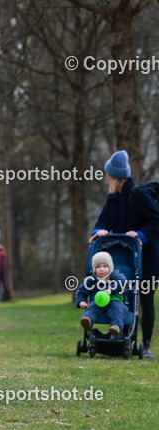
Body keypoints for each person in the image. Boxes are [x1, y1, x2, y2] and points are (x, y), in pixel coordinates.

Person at [90, 149, 159, 358]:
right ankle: (124, 339)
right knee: (126, 297)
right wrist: (98, 231)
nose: (106, 177)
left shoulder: (138, 194)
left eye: (107, 174)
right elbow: (102, 221)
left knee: (145, 300)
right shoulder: (113, 198)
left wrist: (140, 234)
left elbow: (156, 219)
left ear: (113, 175)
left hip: (147, 258)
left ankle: (146, 345)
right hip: (125, 260)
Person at [75, 251, 129, 335]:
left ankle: (116, 326)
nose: (101, 269)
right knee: (92, 306)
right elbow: (81, 291)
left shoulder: (115, 275)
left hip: (115, 300)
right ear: (94, 269)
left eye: (105, 266)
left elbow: (123, 281)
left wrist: (111, 289)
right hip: (98, 301)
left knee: (118, 309)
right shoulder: (91, 280)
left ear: (110, 267)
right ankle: (88, 320)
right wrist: (81, 301)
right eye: (98, 267)